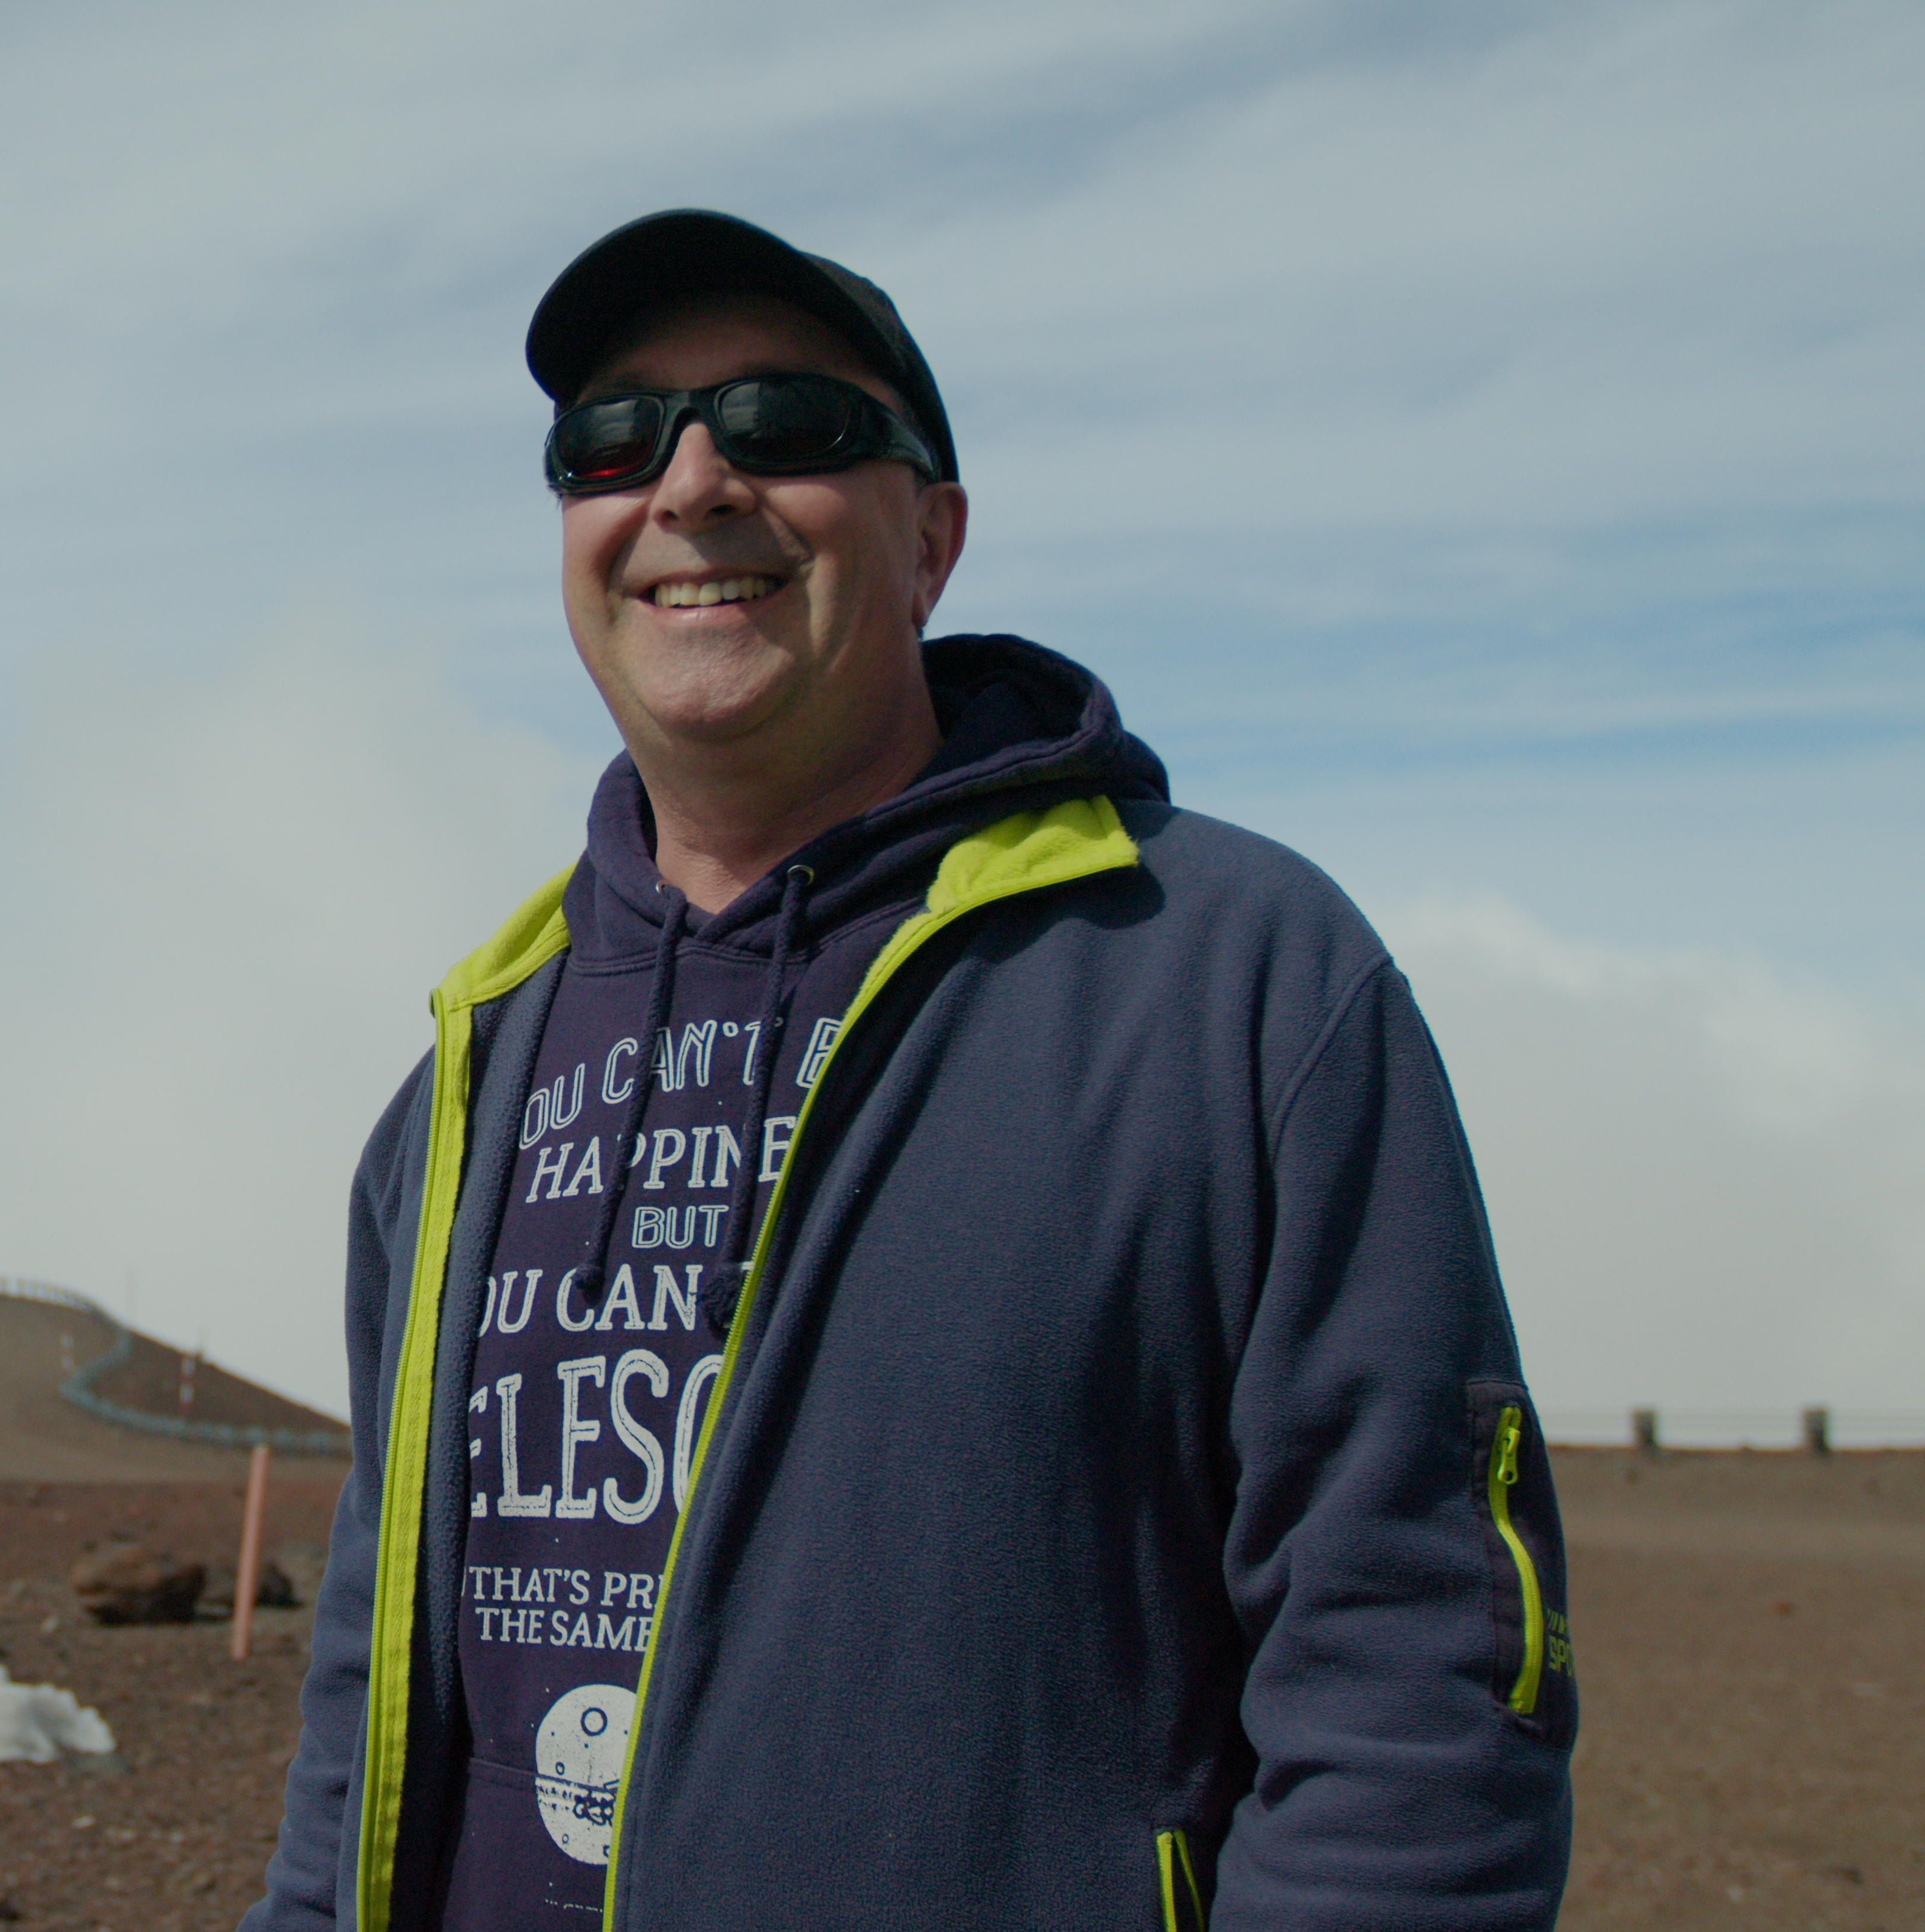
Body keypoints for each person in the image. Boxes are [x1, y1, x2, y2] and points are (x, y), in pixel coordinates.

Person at [248, 210, 1575, 1932]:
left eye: (789, 424)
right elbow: (372, 1691)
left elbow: (1421, 1680)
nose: (692, 483)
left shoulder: (1230, 976)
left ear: (935, 536)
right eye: (611, 441)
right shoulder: (464, 1078)